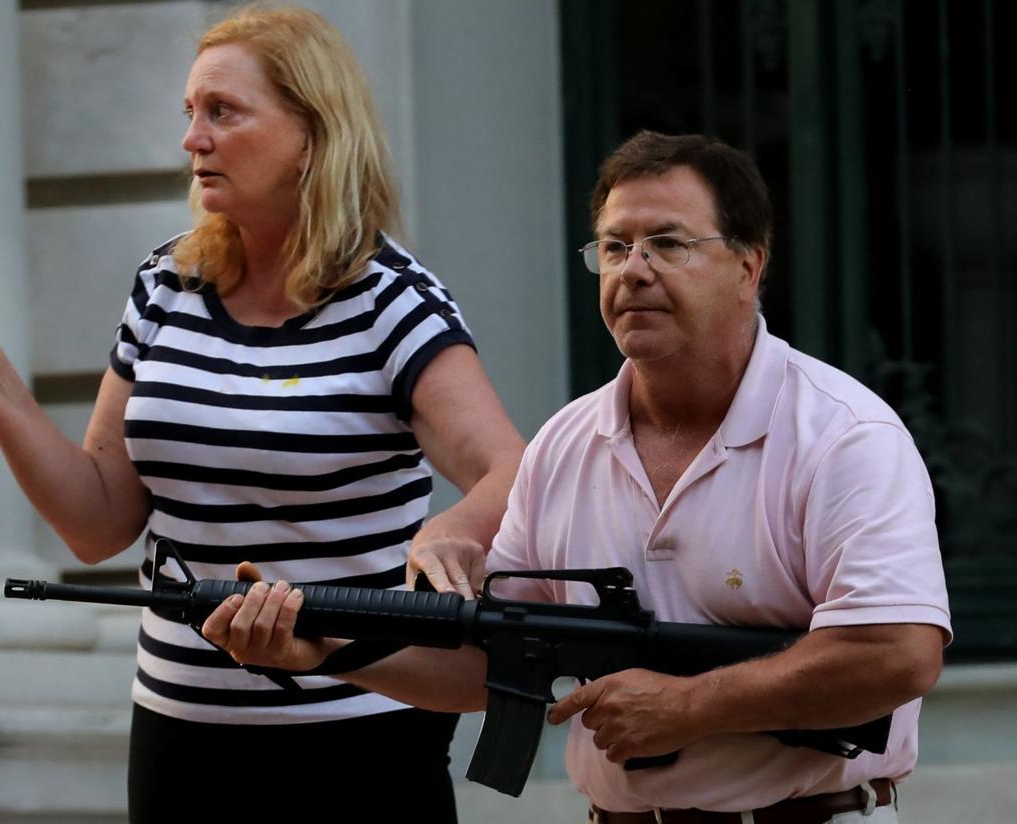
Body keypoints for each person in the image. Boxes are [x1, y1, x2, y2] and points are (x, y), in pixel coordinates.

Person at [201, 131, 952, 823]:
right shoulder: (565, 444)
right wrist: (324, 651)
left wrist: (692, 706)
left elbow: (898, 652)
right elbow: (485, 664)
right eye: (615, 247)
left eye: (668, 243)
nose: (636, 270)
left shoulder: (843, 436)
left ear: (749, 264)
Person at [0, 5, 524, 821]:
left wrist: (448, 533)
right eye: (190, 113)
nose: (193, 138)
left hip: (355, 737)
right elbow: (98, 521)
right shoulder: (166, 285)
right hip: (178, 732)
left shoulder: (390, 302)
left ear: (312, 131)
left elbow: (513, 471)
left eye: (223, 112)